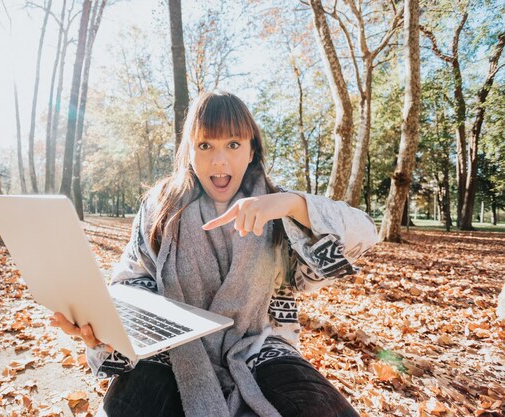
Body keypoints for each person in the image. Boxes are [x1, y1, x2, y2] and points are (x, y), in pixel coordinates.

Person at [50, 90, 378, 417]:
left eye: (233, 145)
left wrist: (290, 204)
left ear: (252, 150)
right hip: (169, 346)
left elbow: (365, 232)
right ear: (189, 152)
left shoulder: (280, 207)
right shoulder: (160, 205)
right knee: (128, 407)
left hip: (258, 346)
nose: (219, 160)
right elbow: (132, 280)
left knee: (324, 409)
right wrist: (108, 327)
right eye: (205, 145)